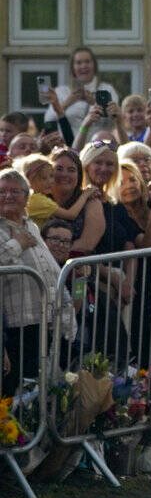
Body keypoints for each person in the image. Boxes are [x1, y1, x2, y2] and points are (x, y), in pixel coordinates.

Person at [0, 169, 76, 396]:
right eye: (2, 191)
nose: (8, 196)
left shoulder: (31, 225)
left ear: (26, 197)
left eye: (15, 191)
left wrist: (66, 312)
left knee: (42, 390)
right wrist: (17, 244)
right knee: (17, 391)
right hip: (16, 325)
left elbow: (50, 270)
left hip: (45, 320)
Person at [43, 47, 120, 133]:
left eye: (87, 62)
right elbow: (48, 120)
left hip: (99, 144)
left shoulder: (107, 89)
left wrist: (94, 103)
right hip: (69, 144)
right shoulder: (61, 92)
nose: (83, 66)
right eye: (79, 63)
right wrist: (67, 103)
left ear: (94, 65)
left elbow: (115, 119)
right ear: (72, 68)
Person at [49, 146, 105, 256]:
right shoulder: (39, 199)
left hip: (77, 266)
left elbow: (87, 244)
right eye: (59, 169)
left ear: (79, 176)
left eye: (71, 170)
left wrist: (55, 256)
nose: (65, 174)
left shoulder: (91, 201)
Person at [17, 154, 99, 228]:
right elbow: (71, 214)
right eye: (43, 178)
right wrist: (85, 194)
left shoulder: (37, 197)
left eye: (51, 176)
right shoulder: (38, 200)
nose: (50, 181)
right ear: (29, 180)